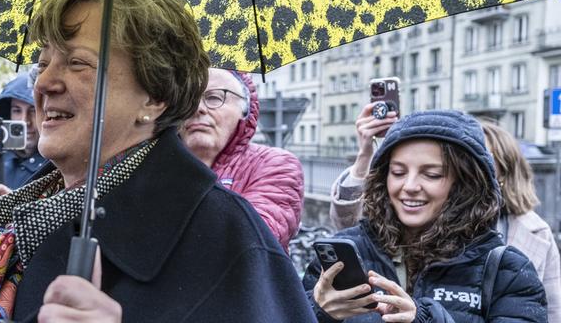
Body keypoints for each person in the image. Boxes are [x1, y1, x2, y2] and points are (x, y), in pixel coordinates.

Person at [0, 0, 313, 322]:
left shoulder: (227, 238)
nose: (44, 83)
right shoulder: (15, 216)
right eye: (42, 64)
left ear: (154, 97)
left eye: (77, 63)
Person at [304, 110, 547, 322]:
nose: (409, 186)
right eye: (398, 172)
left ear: (466, 183)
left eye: (431, 175)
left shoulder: (507, 270)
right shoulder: (346, 254)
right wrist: (318, 312)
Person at [181, 68, 304, 249]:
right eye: (186, 99)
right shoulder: (151, 165)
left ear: (245, 110)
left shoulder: (275, 165)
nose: (197, 108)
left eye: (214, 97)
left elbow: (251, 240)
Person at [480, 120, 560, 322]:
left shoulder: (537, 231)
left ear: (505, 170)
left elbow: (554, 310)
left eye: (485, 158)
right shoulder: (433, 221)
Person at [0, 73, 47, 202]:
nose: (25, 121)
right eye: (17, 111)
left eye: (33, 110)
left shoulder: (56, 171)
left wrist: (13, 207)